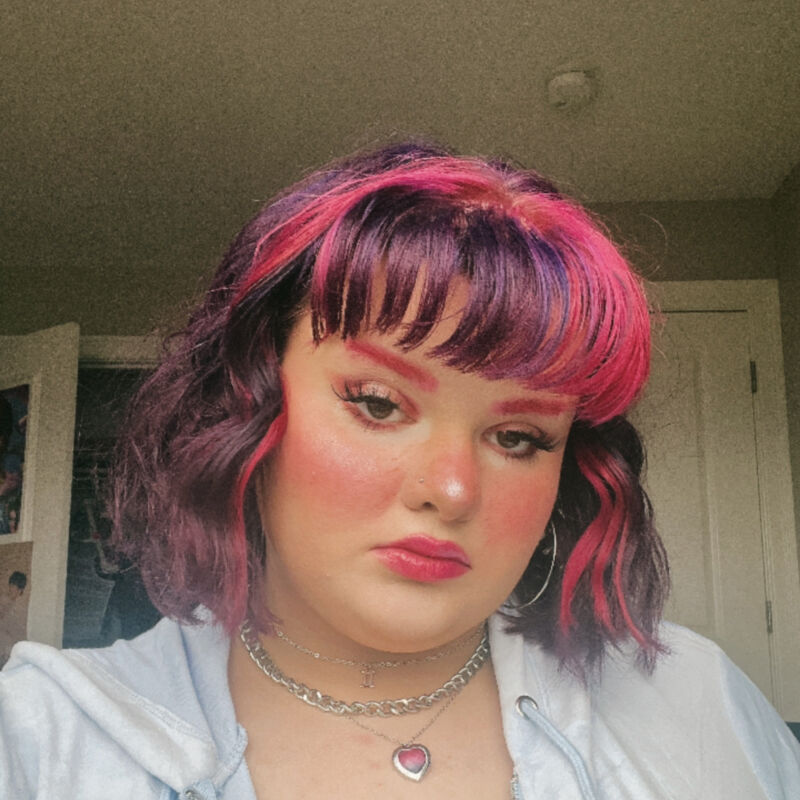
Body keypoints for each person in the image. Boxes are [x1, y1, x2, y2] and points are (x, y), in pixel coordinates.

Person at [1, 142, 798, 799]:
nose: (450, 490)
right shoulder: (42, 740)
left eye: (519, 437)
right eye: (378, 403)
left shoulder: (697, 704)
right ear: (249, 407)